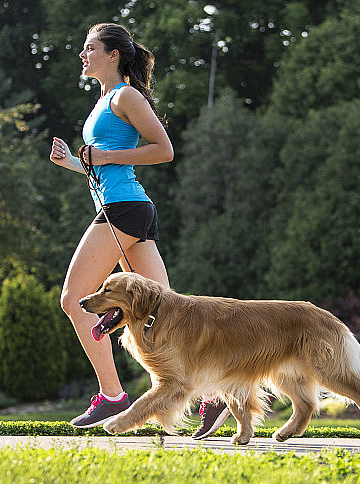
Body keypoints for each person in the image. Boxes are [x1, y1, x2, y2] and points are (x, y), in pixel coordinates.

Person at [49, 22, 229, 438]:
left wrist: (104, 157)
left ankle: (112, 395)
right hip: (128, 208)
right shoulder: (102, 100)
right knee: (166, 313)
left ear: (113, 55)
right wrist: (73, 164)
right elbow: (107, 165)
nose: (82, 54)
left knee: (75, 299)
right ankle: (217, 394)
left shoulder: (127, 95)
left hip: (123, 210)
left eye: (90, 47)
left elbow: (163, 150)